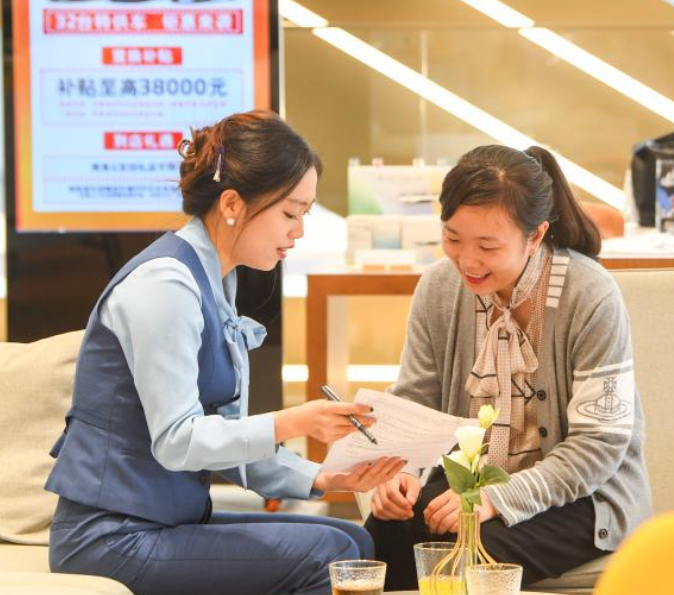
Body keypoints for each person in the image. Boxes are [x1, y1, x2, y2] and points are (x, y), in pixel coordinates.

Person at [45, 111, 406, 595]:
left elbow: (233, 445)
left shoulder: (218, 278)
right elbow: (177, 441)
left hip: (162, 520)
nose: (298, 232)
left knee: (352, 538)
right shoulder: (166, 285)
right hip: (112, 535)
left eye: (305, 214)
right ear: (233, 203)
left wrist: (329, 477)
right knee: (332, 553)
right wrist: (295, 422)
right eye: (289, 213)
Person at [364, 144, 651, 589]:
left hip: (581, 499)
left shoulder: (589, 294)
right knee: (378, 541)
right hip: (469, 484)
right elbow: (415, 400)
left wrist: (497, 497)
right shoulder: (439, 287)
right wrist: (398, 470)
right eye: (453, 238)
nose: (467, 261)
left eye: (488, 246)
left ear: (535, 236)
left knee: (473, 556)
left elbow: (598, 446)